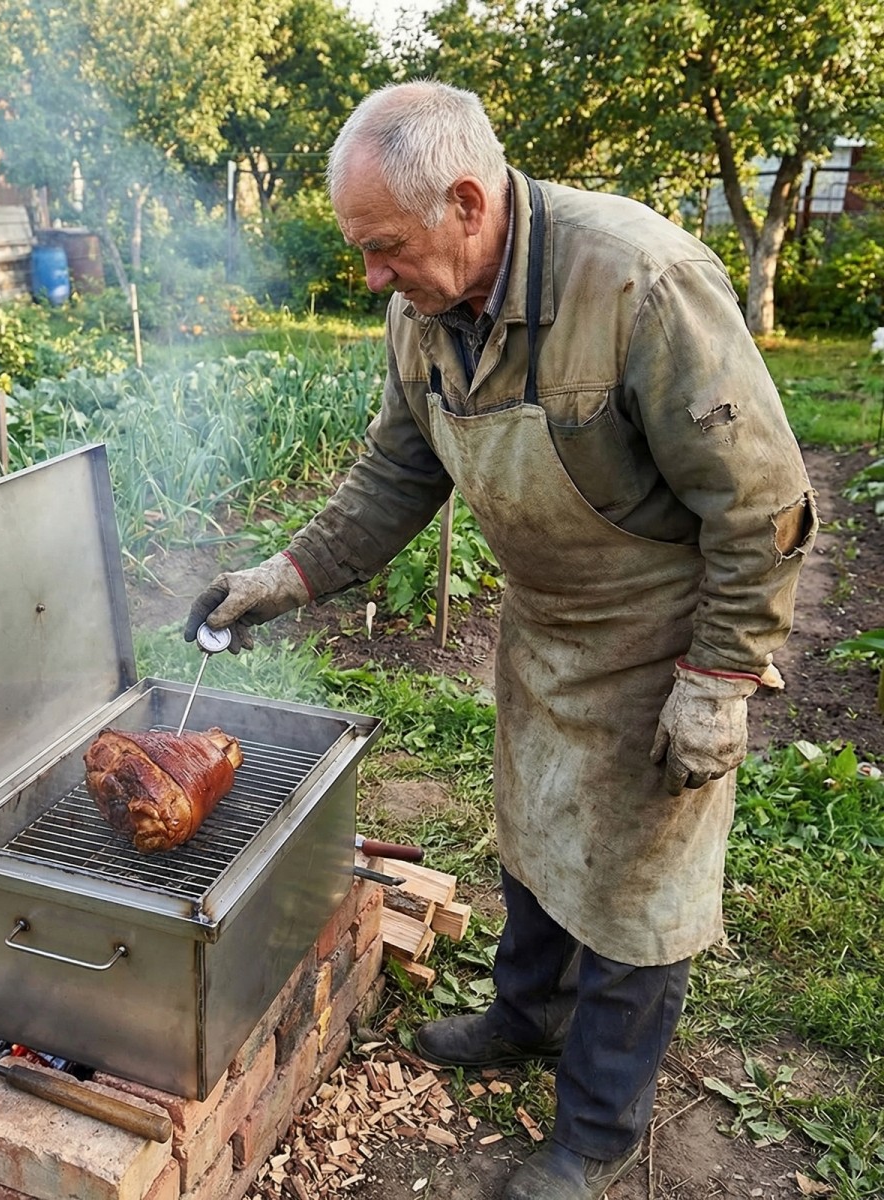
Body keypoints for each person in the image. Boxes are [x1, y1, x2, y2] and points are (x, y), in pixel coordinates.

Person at [186, 81, 817, 1199]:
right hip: (547, 626)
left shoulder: (639, 281)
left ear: (467, 203)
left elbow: (760, 503)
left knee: (638, 893)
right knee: (533, 835)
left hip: (666, 640)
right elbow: (397, 471)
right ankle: (527, 1018)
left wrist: (719, 676)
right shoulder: (424, 314)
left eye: (385, 247)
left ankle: (597, 1130)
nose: (372, 275)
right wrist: (284, 578)